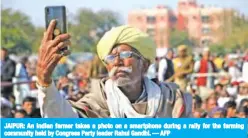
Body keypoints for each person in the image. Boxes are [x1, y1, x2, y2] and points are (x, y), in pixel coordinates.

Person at [36, 20, 192, 118]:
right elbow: (62, 121)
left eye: (125, 54)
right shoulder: (97, 104)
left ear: (144, 64)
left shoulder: (171, 100)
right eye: (110, 57)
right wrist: (45, 82)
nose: (117, 62)